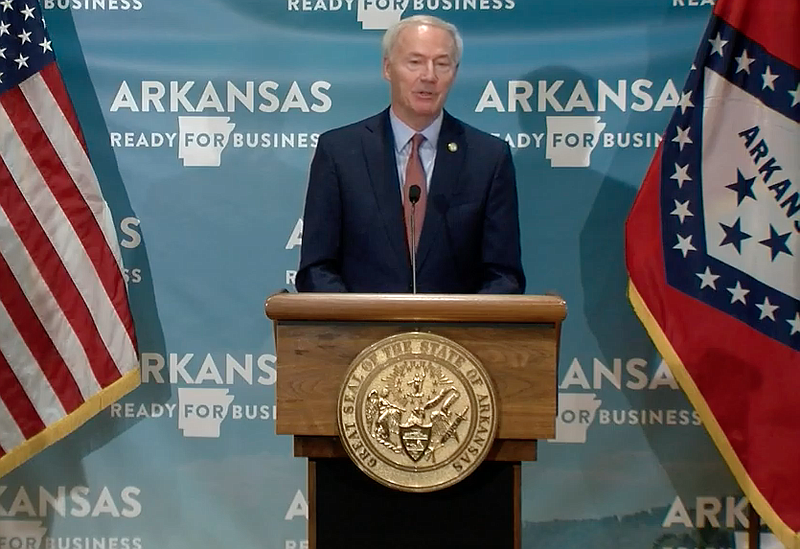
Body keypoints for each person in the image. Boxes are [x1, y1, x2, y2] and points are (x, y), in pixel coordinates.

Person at [296, 15, 525, 294]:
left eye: (442, 63)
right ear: (388, 68)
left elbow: (504, 275)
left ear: (455, 72)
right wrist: (358, 327)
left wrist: (457, 331)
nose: (429, 76)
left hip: (455, 336)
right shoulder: (340, 152)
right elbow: (316, 269)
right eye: (415, 62)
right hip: (361, 334)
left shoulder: (488, 158)